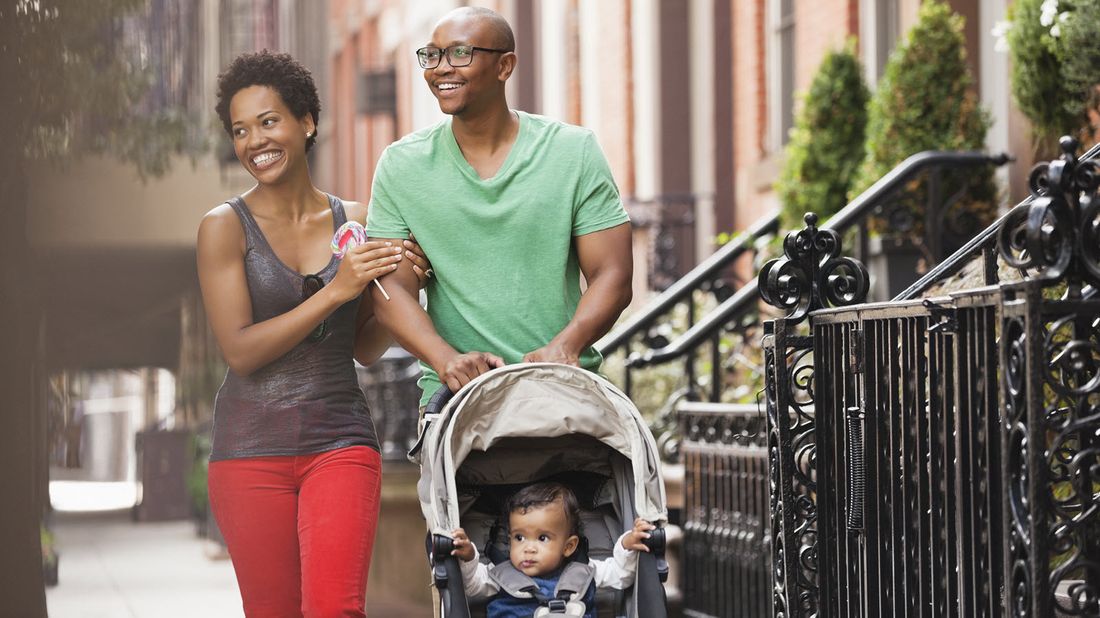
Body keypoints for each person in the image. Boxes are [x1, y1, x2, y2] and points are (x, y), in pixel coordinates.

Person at [196, 50, 431, 617]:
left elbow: (364, 348)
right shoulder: (224, 228)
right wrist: (335, 290)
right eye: (240, 130)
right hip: (249, 452)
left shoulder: (357, 220)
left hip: (340, 440)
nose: (255, 141)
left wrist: (407, 286)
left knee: (335, 609)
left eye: (268, 121)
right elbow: (241, 350)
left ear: (307, 121)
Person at [366, 6, 633, 408]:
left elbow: (613, 273)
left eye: (459, 53)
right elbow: (390, 289)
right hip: (454, 405)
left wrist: (565, 346)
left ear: (504, 66)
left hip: (564, 392)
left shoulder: (572, 151)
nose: (440, 68)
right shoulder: (402, 165)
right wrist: (446, 359)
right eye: (432, 55)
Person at [451, 482, 655, 617]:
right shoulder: (501, 575)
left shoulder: (583, 571)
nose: (528, 548)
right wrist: (468, 556)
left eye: (542, 538)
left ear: (568, 546)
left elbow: (620, 575)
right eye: (519, 537)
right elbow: (472, 585)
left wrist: (627, 544)